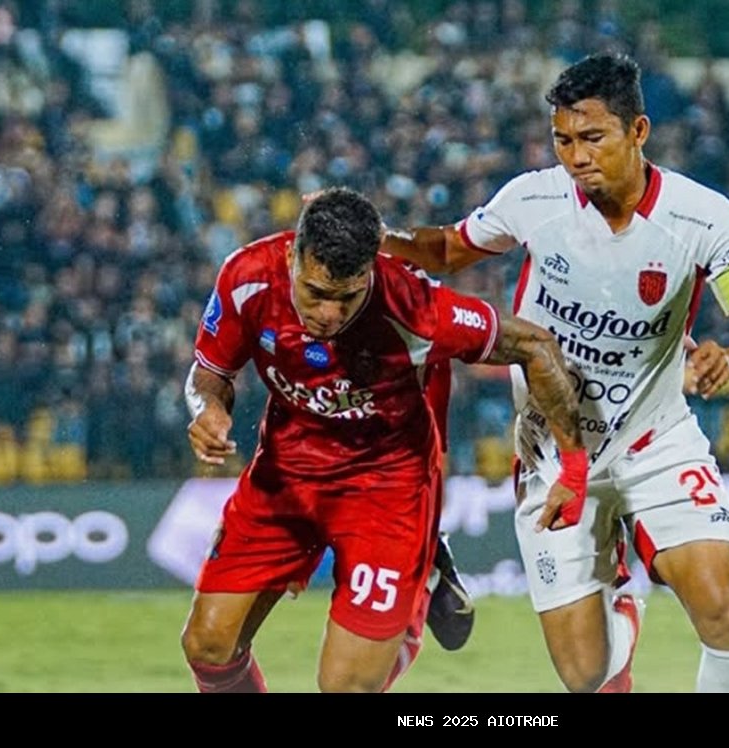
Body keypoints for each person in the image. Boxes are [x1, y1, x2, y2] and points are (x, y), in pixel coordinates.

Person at [380, 53, 729, 693]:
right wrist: (377, 238)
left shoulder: (703, 219)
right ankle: (625, 607)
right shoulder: (534, 199)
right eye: (563, 140)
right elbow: (447, 249)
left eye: (593, 138)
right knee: (585, 674)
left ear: (638, 131)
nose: (576, 157)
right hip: (552, 450)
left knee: (724, 610)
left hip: (656, 441)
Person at [180, 187, 587, 693]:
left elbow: (535, 345)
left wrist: (574, 465)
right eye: (316, 293)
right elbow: (209, 372)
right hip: (286, 474)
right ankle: (424, 571)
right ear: (292, 257)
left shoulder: (412, 306)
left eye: (347, 297)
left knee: (345, 686)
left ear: (371, 269)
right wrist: (208, 408)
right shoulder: (247, 277)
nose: (329, 315)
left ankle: (416, 592)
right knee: (208, 646)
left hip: (385, 487)